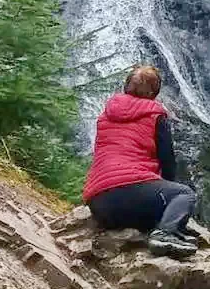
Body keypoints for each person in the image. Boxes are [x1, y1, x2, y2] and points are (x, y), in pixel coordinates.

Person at [83, 65, 197, 259]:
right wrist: (167, 190)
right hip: (131, 194)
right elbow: (167, 162)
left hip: (99, 203)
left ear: (126, 85)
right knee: (184, 194)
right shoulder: (155, 115)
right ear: (154, 92)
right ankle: (165, 234)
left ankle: (161, 229)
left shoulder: (106, 114)